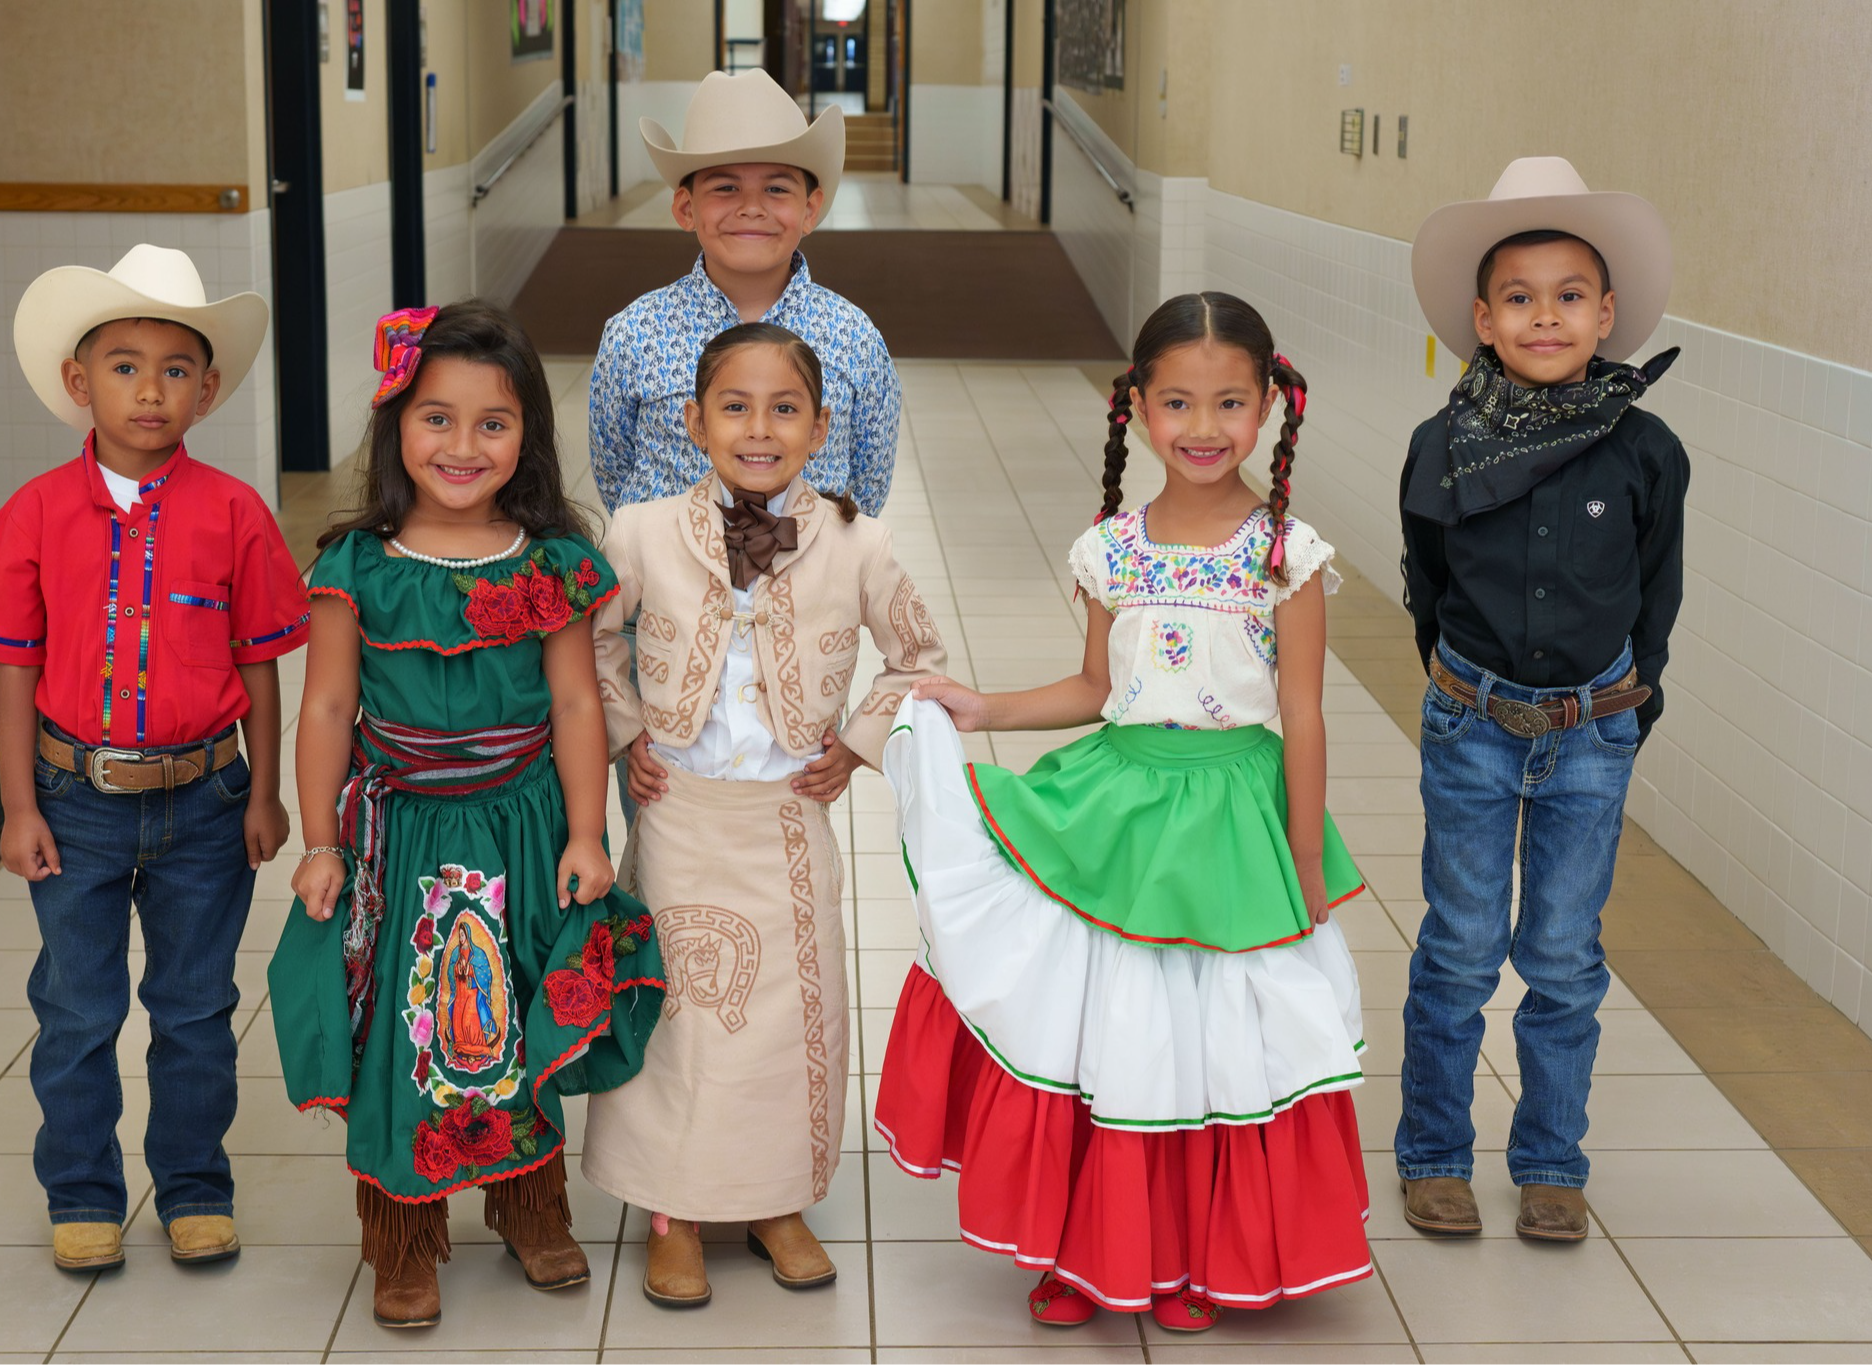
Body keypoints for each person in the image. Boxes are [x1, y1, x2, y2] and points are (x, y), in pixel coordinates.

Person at [875, 293, 1372, 1333]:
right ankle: (1080, 1247)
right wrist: (984, 707)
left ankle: (1187, 1256)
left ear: (1267, 409)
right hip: (1113, 805)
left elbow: (1304, 717)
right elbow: (1094, 689)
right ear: (1136, 408)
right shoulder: (1109, 549)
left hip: (1234, 815)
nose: (1202, 428)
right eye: (1177, 402)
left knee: (1207, 1040)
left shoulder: (1287, 555)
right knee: (1102, 1030)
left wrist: (1300, 855)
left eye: (1229, 404)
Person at [266, 302, 666, 1329]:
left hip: (524, 828)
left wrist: (587, 833)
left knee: (519, 1008)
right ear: (395, 423)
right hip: (404, 837)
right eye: (435, 418)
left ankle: (531, 1207)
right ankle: (402, 1234)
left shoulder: (549, 561)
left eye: (493, 423)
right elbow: (323, 708)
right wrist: (319, 842)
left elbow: (578, 703)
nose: (462, 445)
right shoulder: (354, 567)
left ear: (526, 433)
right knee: (410, 1032)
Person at [0, 244, 308, 1273]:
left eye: (176, 368)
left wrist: (264, 792)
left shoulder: (235, 512)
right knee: (77, 1008)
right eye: (124, 364)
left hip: (207, 799)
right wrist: (19, 808)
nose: (151, 389)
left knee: (195, 1007)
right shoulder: (35, 514)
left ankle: (193, 1187)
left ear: (210, 388)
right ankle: (84, 1193)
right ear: (77, 382)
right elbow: (12, 671)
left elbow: (262, 661)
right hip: (75, 798)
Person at [581, 322, 946, 1308]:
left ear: (820, 426)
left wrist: (858, 743)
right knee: (680, 1016)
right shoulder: (640, 530)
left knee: (792, 1016)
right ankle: (673, 1211)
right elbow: (593, 644)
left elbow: (919, 657)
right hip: (678, 816)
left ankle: (777, 1198)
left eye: (783, 409)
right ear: (695, 421)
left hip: (787, 821)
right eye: (734, 407)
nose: (758, 428)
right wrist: (625, 736)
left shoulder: (858, 542)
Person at [1396, 157, 1687, 1242]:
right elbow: (1425, 574)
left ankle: (1550, 1162)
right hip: (1470, 722)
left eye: (1568, 295)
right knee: (1461, 945)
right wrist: (1453, 681)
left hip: (1590, 732)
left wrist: (1625, 704)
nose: (1544, 316)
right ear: (1481, 317)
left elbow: (1655, 589)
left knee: (1562, 956)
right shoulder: (1443, 443)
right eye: (1517, 298)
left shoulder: (1646, 450)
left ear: (1605, 313)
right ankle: (1432, 1154)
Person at [588, 68, 899, 517]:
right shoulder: (633, 333)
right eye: (725, 187)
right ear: (685, 208)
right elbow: (613, 469)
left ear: (810, 210)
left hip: (810, 578)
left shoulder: (855, 339)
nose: (751, 207)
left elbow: (868, 483)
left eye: (776, 188)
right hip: (669, 582)